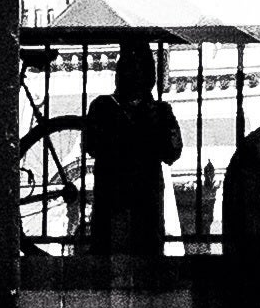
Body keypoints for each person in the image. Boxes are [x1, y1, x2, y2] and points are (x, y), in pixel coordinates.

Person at [76, 32, 188, 261]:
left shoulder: (106, 107)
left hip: (133, 204)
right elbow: (172, 151)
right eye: (130, 64)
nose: (134, 72)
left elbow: (172, 151)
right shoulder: (109, 107)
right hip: (128, 203)